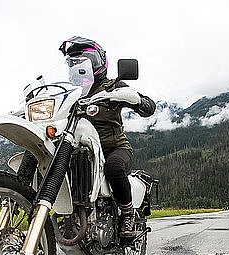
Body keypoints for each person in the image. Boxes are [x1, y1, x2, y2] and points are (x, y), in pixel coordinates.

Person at [59, 36, 156, 237]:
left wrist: (135, 99)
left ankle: (127, 213)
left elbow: (148, 107)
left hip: (114, 148)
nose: (81, 68)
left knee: (114, 168)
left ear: (99, 62)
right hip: (81, 149)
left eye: (87, 61)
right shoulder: (70, 93)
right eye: (74, 64)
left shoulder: (113, 86)